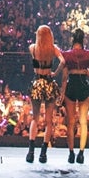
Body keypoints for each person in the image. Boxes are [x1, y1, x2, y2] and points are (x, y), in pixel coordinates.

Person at [61, 28, 89, 164]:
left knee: (70, 122)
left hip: (71, 85)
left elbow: (64, 77)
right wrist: (84, 70)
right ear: (83, 40)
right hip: (83, 85)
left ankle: (71, 153)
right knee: (83, 122)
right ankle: (81, 154)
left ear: (73, 40)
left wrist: (62, 92)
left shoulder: (66, 55)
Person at [26, 25, 61, 164]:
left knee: (35, 118)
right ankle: (43, 153)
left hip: (37, 82)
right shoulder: (53, 48)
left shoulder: (32, 48)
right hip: (49, 82)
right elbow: (63, 62)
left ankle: (31, 152)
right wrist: (55, 73)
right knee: (48, 121)